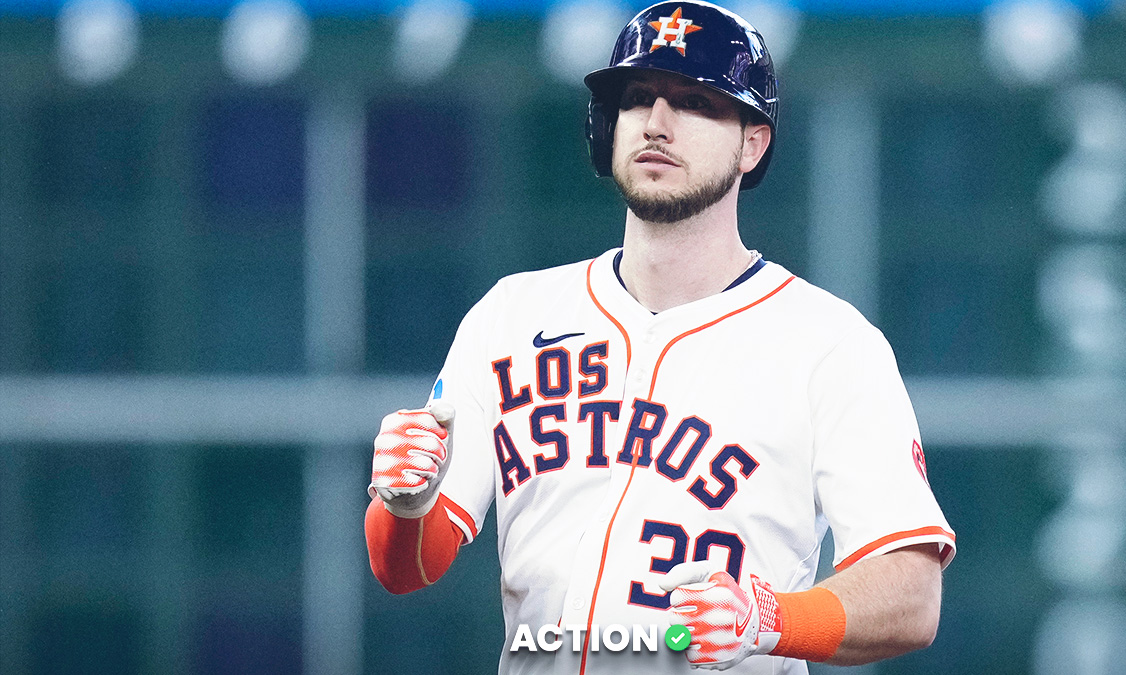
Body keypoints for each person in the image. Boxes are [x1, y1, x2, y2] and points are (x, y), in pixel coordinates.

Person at [364, 2, 956, 673]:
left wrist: (772, 618)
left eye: (696, 102)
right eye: (639, 97)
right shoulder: (510, 315)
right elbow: (405, 568)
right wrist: (404, 505)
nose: (657, 122)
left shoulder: (827, 344)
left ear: (752, 142)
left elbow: (912, 592)